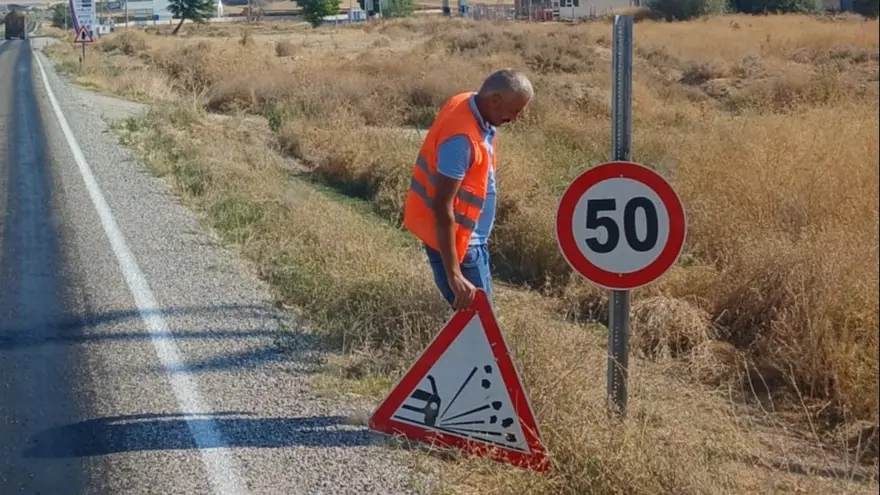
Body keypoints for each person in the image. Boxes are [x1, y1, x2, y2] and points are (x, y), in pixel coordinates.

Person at [401, 69, 534, 311]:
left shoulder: (468, 103)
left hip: (471, 239)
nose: (514, 119)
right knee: (481, 326)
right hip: (462, 245)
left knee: (476, 325)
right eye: (514, 111)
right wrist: (454, 273)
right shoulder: (461, 140)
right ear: (495, 100)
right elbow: (442, 206)